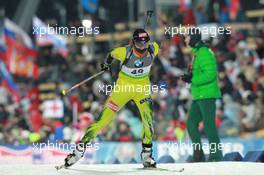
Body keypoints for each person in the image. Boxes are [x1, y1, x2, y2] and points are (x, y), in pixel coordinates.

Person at [63, 29, 159, 168]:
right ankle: (78, 152)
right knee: (103, 120)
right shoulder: (124, 52)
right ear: (133, 43)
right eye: (139, 44)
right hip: (122, 89)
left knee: (148, 121)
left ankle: (147, 156)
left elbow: (158, 47)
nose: (143, 47)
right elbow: (110, 54)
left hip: (142, 90)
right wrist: (106, 65)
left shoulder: (153, 48)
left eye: (145, 44)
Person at [181, 29, 223, 162]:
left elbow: (210, 74)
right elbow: (201, 73)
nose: (185, 40)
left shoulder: (204, 53)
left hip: (207, 95)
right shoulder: (198, 53)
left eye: (187, 37)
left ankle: (216, 156)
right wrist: (190, 76)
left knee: (209, 125)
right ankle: (198, 154)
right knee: (191, 124)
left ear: (193, 38)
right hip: (199, 95)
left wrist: (193, 80)